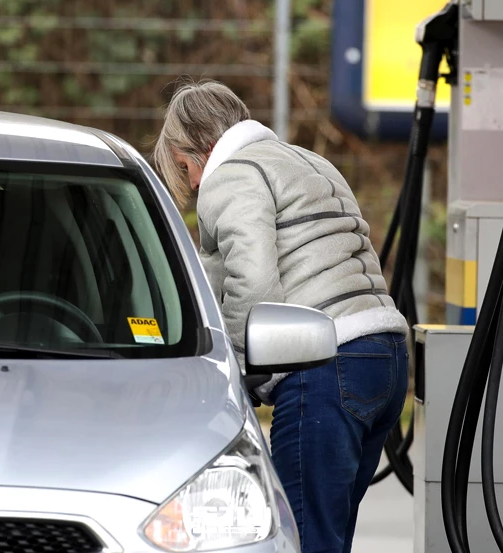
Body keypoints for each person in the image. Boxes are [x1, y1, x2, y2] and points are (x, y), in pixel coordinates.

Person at [153, 79, 409, 553]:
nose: (193, 184)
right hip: (385, 358)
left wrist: (234, 374)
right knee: (329, 537)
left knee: (302, 540)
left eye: (185, 167)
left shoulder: (232, 175)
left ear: (202, 147)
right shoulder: (310, 161)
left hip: (325, 364)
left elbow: (252, 283)